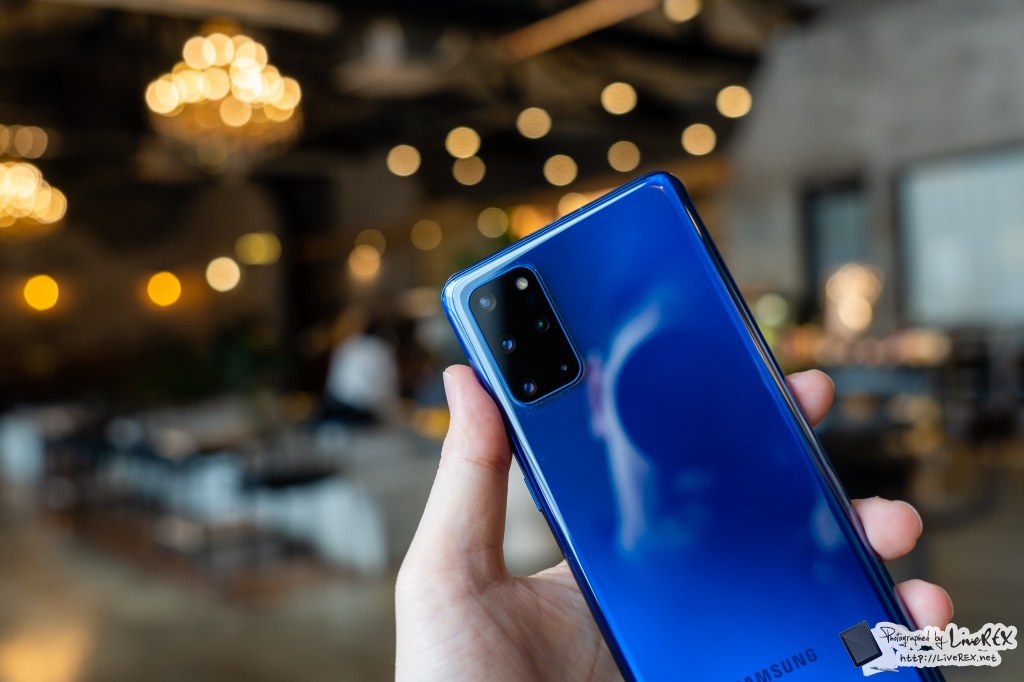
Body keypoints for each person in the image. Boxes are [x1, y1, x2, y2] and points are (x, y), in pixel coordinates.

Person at [396, 366, 955, 681]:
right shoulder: (571, 634)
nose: (687, 435)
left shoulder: (824, 594)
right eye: (656, 394)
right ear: (600, 399)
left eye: (708, 391)